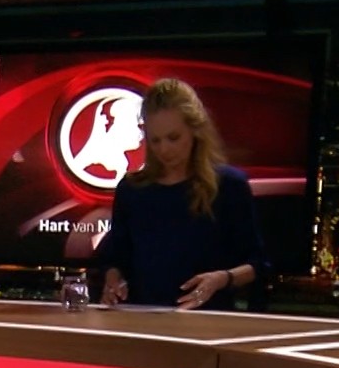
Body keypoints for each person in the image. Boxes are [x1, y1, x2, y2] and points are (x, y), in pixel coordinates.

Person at [98, 78, 268, 310]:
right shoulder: (132, 189)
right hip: (142, 318)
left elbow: (257, 265)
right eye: (155, 140)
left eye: (173, 137)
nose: (164, 149)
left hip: (208, 321)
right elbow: (115, 259)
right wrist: (113, 281)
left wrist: (221, 279)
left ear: (195, 130)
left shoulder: (228, 186)